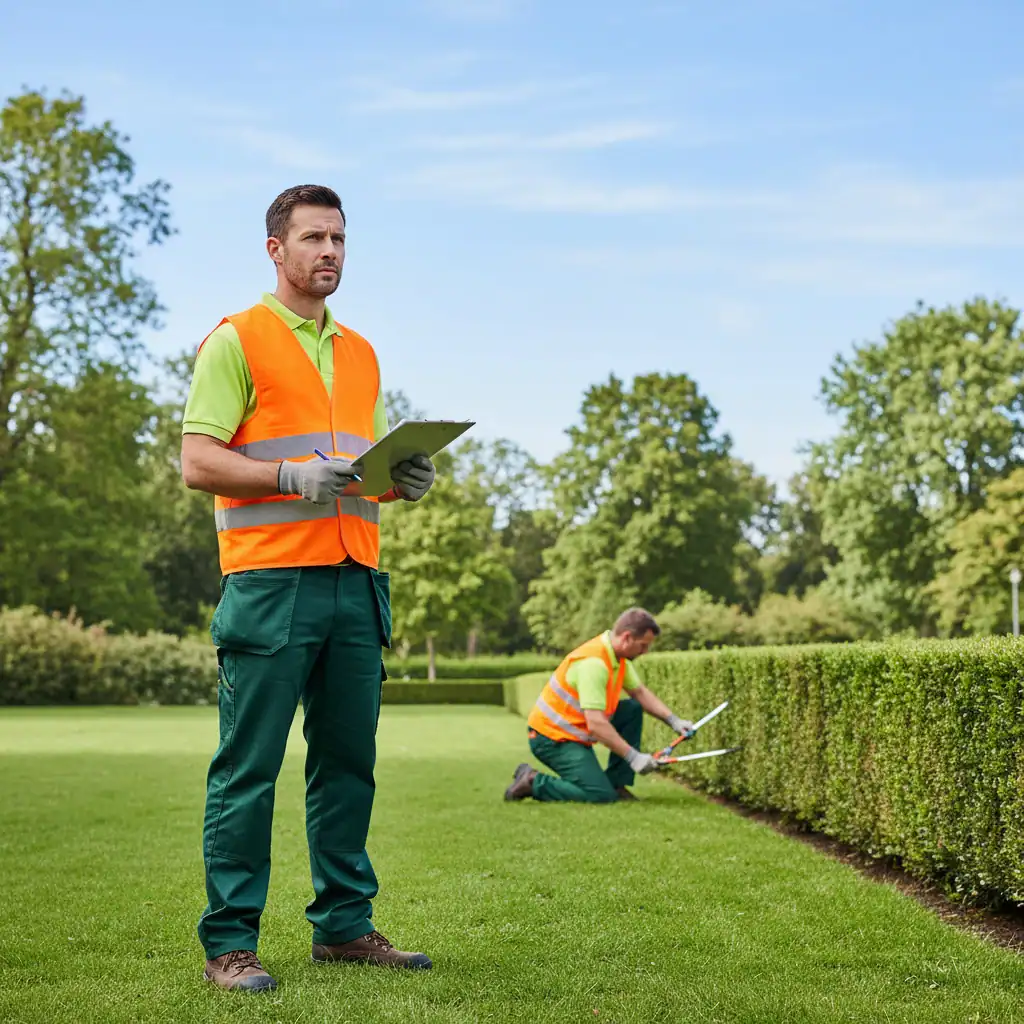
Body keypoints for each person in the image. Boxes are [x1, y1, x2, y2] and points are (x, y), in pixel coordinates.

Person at [180, 184, 436, 994]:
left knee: (347, 763)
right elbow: (198, 462)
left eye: (340, 239)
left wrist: (402, 481)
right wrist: (288, 473)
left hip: (357, 581)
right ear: (276, 250)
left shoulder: (361, 353)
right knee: (247, 768)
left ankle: (344, 927)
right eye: (314, 238)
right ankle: (231, 943)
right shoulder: (236, 341)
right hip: (269, 585)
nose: (329, 251)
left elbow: (358, 475)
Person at [504, 608, 694, 804]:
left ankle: (617, 784)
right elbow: (595, 724)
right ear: (627, 637)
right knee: (599, 795)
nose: (645, 652)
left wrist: (674, 721)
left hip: (574, 731)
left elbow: (639, 693)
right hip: (552, 738)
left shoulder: (616, 658)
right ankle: (533, 781)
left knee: (632, 709)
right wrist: (633, 757)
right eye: (643, 646)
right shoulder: (594, 664)